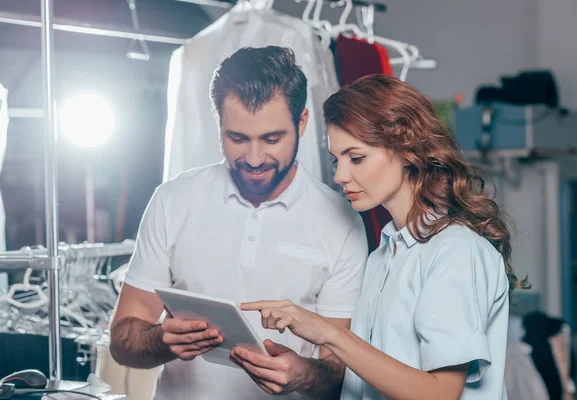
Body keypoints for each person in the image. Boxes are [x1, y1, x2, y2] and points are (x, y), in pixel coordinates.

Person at [235, 74, 531, 400]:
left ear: (406, 150)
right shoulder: (383, 255)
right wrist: (302, 370)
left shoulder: (455, 251)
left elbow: (440, 394)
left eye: (356, 158)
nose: (340, 175)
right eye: (337, 159)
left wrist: (331, 335)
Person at [109, 46, 368, 400]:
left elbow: (343, 370)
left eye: (272, 139)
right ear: (219, 125)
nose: (255, 158)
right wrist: (161, 339)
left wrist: (302, 375)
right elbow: (123, 342)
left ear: (302, 123)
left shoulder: (342, 222)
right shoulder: (173, 200)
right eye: (237, 138)